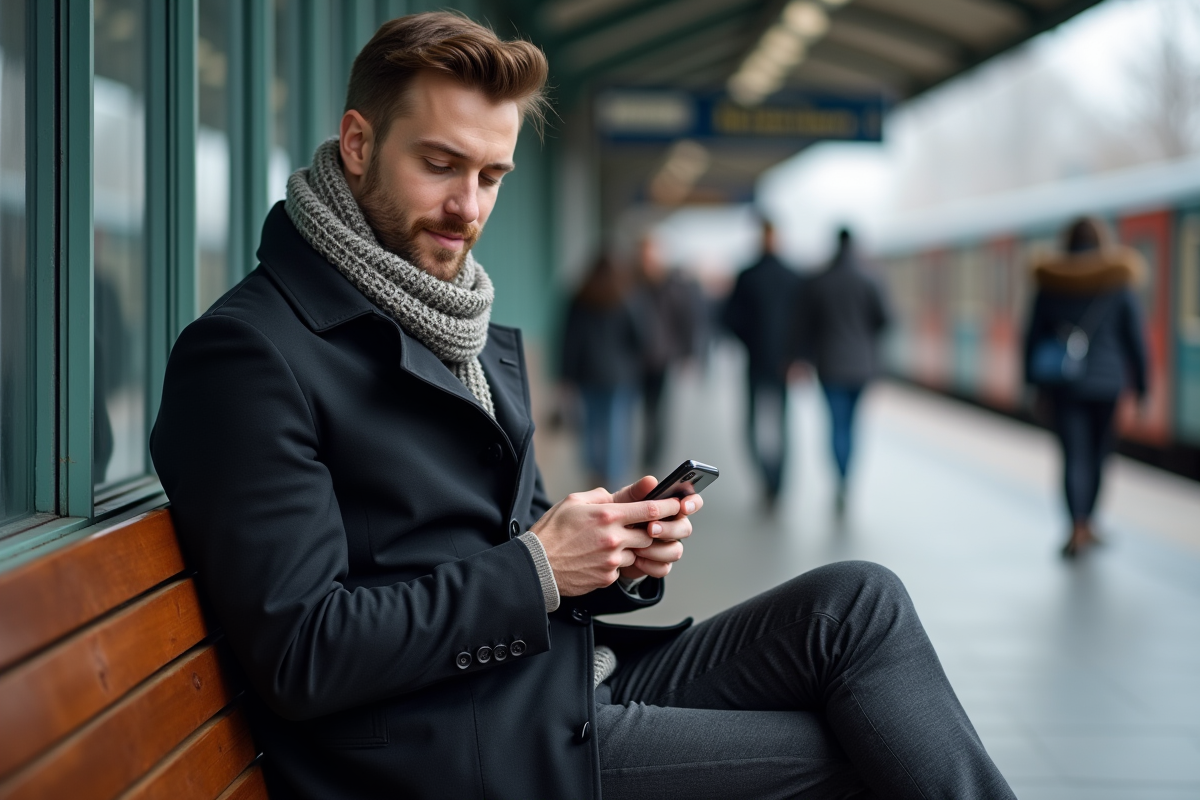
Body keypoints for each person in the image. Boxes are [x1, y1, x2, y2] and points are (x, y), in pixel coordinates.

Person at [151, 13, 1015, 799]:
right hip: (450, 745)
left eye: (492, 175)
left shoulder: (449, 321)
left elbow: (513, 547)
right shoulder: (249, 354)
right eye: (440, 164)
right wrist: (539, 567)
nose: (468, 207)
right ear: (356, 142)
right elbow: (305, 652)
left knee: (857, 603)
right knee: (852, 753)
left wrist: (610, 554)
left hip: (542, 681)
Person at [1023, 216, 1147, 558]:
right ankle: (1090, 524)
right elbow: (1135, 340)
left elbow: (1032, 338)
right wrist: (1142, 387)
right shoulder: (1118, 282)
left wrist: (1032, 386)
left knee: (1073, 457)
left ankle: (1076, 526)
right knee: (1098, 456)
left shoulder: (1049, 282)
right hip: (1107, 384)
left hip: (1063, 384)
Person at [795, 228, 889, 514]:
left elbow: (805, 326)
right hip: (861, 367)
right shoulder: (870, 279)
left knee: (835, 426)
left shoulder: (819, 281)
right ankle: (848, 480)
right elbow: (885, 320)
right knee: (853, 426)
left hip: (830, 366)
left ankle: (839, 480)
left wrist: (804, 358)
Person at [722, 217, 802, 507]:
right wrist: (796, 356)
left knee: (753, 426)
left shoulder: (748, 275)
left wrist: (750, 341)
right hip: (782, 364)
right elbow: (803, 322)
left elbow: (729, 318)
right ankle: (776, 482)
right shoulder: (793, 276)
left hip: (756, 362)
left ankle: (767, 480)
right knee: (780, 426)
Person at [561, 254, 643, 489]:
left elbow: (569, 340)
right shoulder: (626, 296)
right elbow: (640, 336)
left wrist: (565, 375)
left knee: (590, 426)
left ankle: (595, 472)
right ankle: (613, 475)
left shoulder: (579, 297)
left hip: (587, 374)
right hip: (620, 375)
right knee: (616, 427)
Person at [632, 236, 706, 469]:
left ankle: (652, 456)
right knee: (636, 409)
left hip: (662, 357)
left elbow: (687, 320)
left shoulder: (674, 285)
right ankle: (639, 452)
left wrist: (688, 354)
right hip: (633, 358)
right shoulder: (631, 283)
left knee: (658, 411)